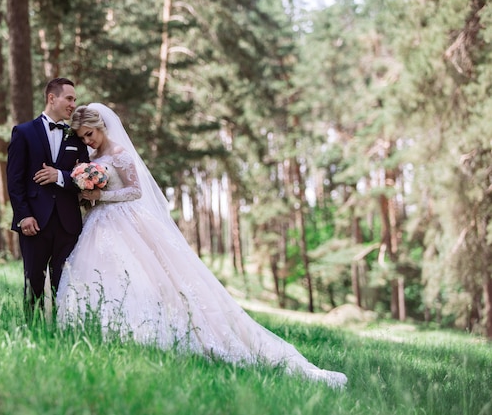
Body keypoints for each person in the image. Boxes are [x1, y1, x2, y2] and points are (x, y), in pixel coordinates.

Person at [56, 103, 347, 388]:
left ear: (102, 126)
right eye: (82, 137)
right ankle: (102, 332)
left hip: (124, 220)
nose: (87, 140)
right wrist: (86, 194)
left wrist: (101, 197)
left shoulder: (120, 154)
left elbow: (134, 190)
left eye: (90, 134)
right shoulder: (91, 156)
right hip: (98, 223)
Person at [7, 78, 90, 322]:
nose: (73, 104)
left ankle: (61, 328)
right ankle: (32, 329)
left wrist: (60, 176)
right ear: (52, 98)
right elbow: (15, 180)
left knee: (63, 282)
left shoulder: (76, 138)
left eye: (75, 99)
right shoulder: (23, 133)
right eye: (69, 98)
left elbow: (86, 177)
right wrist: (23, 216)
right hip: (34, 221)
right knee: (33, 279)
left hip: (67, 223)